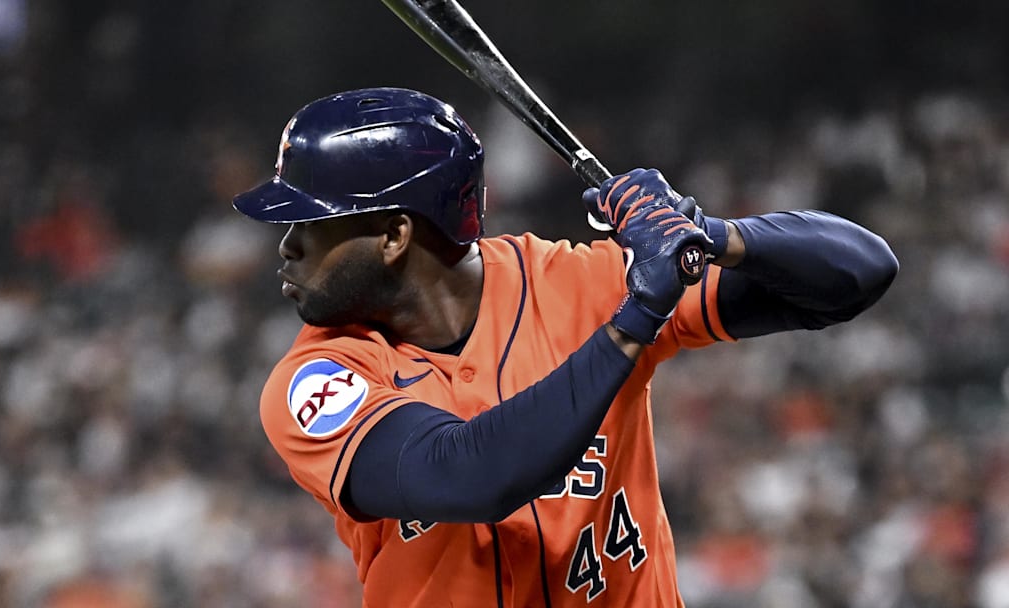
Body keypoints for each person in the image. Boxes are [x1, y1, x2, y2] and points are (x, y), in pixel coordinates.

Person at [231, 87, 898, 607]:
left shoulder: (577, 282)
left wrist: (707, 233)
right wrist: (636, 318)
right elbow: (471, 476)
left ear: (394, 234)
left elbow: (860, 274)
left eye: (307, 222)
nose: (286, 247)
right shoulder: (316, 377)